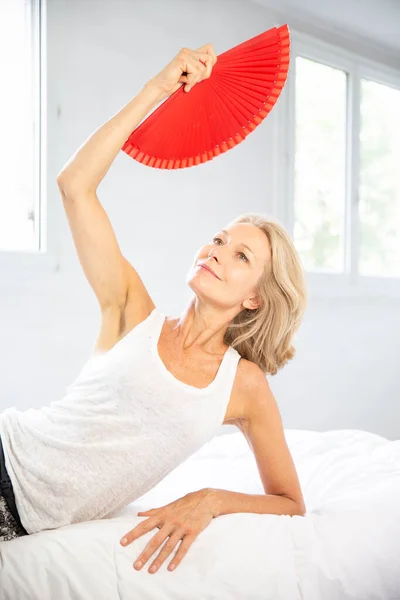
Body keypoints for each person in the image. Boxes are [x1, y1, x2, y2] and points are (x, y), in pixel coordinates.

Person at [0, 44, 307, 544]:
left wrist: (209, 500)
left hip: (18, 515)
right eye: (219, 239)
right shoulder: (133, 313)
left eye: (241, 257)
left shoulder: (242, 385)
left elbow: (290, 502)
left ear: (256, 298)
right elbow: (75, 185)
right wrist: (157, 89)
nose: (217, 251)